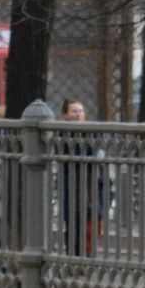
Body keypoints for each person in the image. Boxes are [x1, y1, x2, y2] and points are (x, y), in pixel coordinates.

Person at [56, 98, 108, 256]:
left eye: (81, 111)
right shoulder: (63, 135)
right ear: (65, 114)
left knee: (91, 224)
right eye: (74, 111)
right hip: (73, 187)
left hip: (91, 187)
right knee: (73, 224)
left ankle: (88, 258)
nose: (78, 114)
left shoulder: (92, 132)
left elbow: (99, 156)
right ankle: (74, 258)